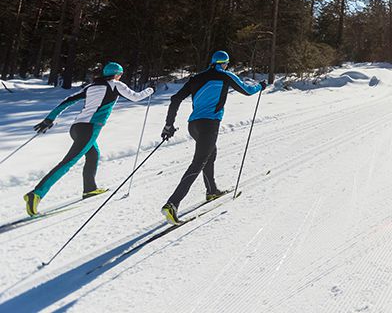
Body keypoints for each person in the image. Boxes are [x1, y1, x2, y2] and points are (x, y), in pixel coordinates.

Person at [24, 62, 154, 216]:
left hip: (76, 128)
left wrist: (49, 119)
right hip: (90, 128)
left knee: (93, 154)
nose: (120, 76)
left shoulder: (91, 87)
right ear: (117, 74)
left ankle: (90, 189)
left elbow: (67, 101)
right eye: (120, 74)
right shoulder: (116, 84)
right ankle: (37, 193)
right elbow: (136, 97)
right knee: (67, 163)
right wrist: (151, 89)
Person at [160, 50, 265, 224]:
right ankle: (172, 203)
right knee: (198, 162)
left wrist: (169, 125)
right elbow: (247, 91)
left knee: (211, 153)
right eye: (226, 64)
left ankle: (212, 191)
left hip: (193, 125)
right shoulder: (225, 76)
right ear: (224, 63)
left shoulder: (196, 78)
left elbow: (175, 99)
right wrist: (260, 86)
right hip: (209, 124)